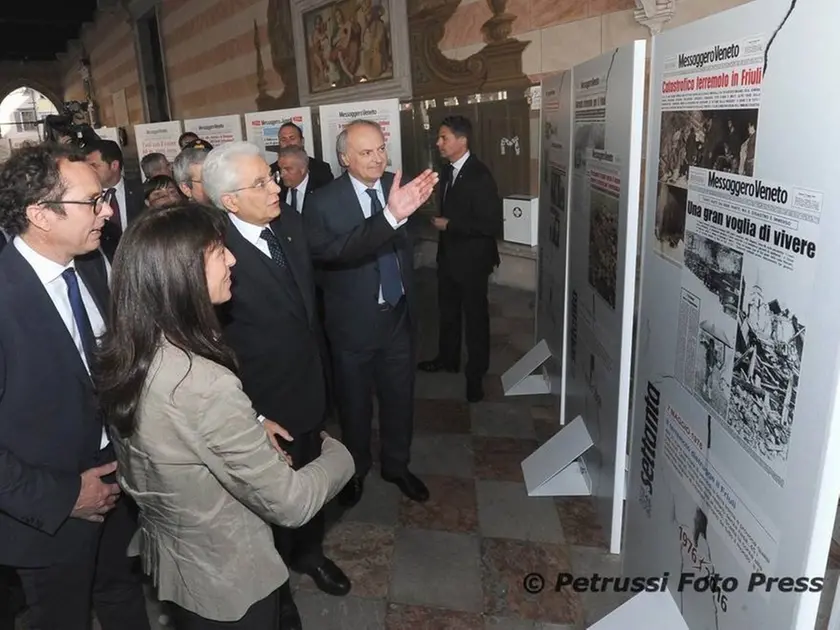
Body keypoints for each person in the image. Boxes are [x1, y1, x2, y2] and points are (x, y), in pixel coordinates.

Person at [203, 141, 435, 628]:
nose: (277, 185)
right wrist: (250, 415)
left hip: (307, 387)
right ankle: (275, 590)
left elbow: (338, 248)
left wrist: (390, 217)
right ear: (229, 201)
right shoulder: (210, 250)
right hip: (255, 404)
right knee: (261, 504)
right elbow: (208, 345)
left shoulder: (287, 223)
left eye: (272, 176)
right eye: (262, 182)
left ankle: (309, 555)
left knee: (305, 484)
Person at [95, 203, 355, 630]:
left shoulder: (128, 351)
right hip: (231, 584)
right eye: (219, 250)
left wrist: (249, 425)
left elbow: (175, 434)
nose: (233, 258)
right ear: (182, 274)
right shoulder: (203, 383)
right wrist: (339, 453)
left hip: (180, 565)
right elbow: (291, 503)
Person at [0, 143, 149, 630]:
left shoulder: (89, 264)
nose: (108, 210)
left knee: (122, 594)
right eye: (93, 201)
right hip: (46, 512)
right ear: (41, 214)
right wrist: (66, 496)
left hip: (115, 480)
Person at [304, 120, 436, 508]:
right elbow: (333, 253)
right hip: (352, 325)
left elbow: (414, 240)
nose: (378, 158)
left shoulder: (399, 185)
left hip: (398, 319)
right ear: (344, 158)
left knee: (400, 399)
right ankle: (356, 469)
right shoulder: (322, 202)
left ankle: (397, 465)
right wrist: (389, 219)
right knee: (354, 405)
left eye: (381, 148)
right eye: (366, 152)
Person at [418, 115, 503, 402]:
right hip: (450, 258)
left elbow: (491, 225)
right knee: (448, 312)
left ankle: (475, 375)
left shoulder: (479, 175)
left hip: (473, 262)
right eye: (439, 138)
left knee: (475, 319)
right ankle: (447, 358)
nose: (438, 143)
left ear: (462, 140)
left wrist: (449, 225)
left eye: (444, 137)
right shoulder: (448, 171)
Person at [83, 139, 145, 261]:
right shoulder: (83, 199)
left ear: (114, 165)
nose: (90, 171)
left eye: (94, 166)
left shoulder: (141, 192)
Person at [270, 122, 333, 189]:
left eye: (292, 138)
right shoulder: (272, 171)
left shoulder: (321, 169)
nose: (288, 143)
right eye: (283, 139)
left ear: (302, 141)